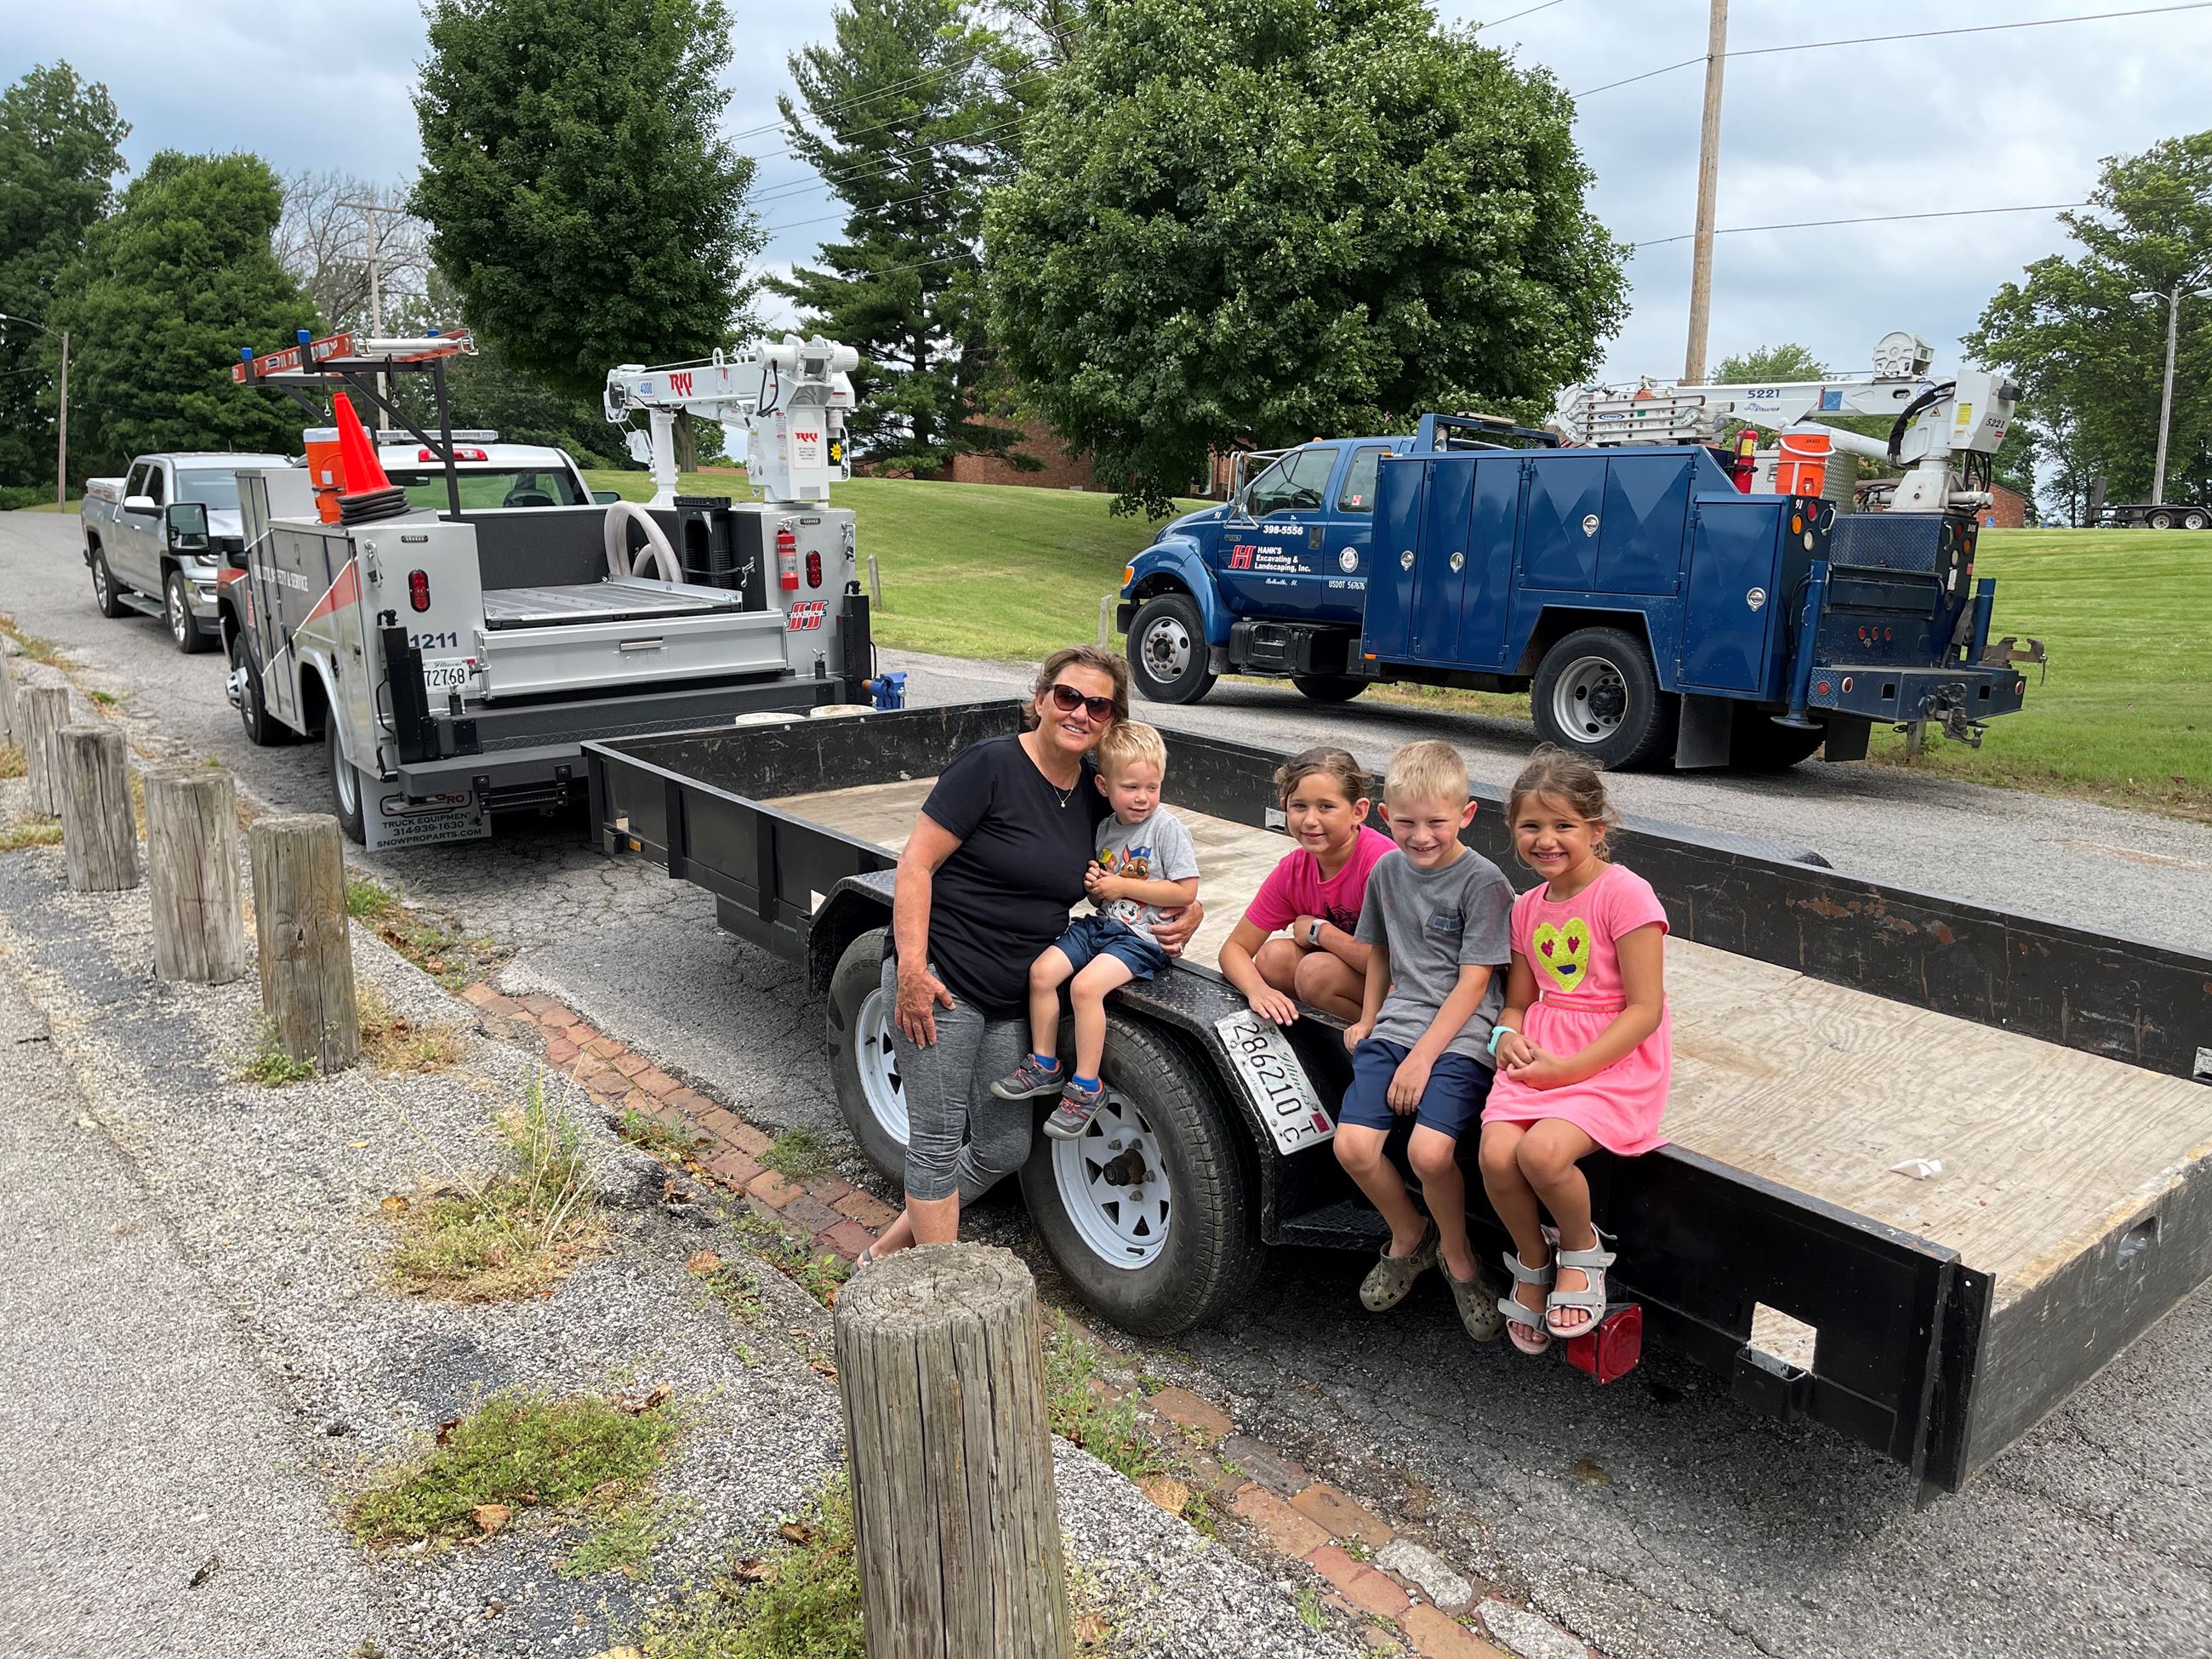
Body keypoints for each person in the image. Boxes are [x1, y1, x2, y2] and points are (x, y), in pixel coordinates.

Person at [860, 648, 1201, 1267]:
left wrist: (1189, 910)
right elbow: (915, 865)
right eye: (1067, 696)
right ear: (1041, 698)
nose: (1080, 712)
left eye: (1097, 704)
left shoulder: (1100, 797)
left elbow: (1149, 861)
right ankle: (941, 1291)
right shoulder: (990, 766)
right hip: (945, 978)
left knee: (1002, 1148)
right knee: (937, 1142)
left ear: (1110, 720)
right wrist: (911, 970)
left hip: (1016, 992)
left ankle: (884, 1251)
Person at [1478, 747, 1671, 1356]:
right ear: (1512, 830)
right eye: (1531, 826)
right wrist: (1505, 1035)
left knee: (1542, 1152)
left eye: (1563, 825)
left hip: (1611, 1059)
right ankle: (1533, 1262)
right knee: (1496, 1155)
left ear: (1596, 829)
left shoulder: (1626, 895)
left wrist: (1570, 1070)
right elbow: (1517, 1001)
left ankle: (1582, 1252)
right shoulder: (1527, 909)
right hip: (1543, 1049)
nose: (1546, 840)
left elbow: (1645, 1008)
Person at [1335, 740, 1514, 1341]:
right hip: (1398, 1024)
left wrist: (1421, 1059)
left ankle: (1461, 1260)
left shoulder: (1484, 882)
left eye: (1436, 822)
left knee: (1429, 1154)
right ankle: (1411, 1235)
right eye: (1406, 822)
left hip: (1460, 1035)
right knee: (1354, 1148)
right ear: (1385, 817)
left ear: (1465, 815)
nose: (1421, 835)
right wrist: (1368, 1016)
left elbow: (1475, 982)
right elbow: (1380, 951)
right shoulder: (1386, 870)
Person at [992, 721, 1200, 1139]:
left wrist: (1120, 884)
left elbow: (1186, 890)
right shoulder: (1106, 829)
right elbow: (1105, 900)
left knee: (1085, 988)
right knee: (1042, 973)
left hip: (1142, 939)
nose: (1143, 798)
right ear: (1104, 786)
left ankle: (1087, 1086)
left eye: (1152, 787)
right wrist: (1098, 888)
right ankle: (1044, 1063)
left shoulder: (1166, 829)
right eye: (1131, 788)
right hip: (1105, 924)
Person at [1217, 746, 1393, 1023]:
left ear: (1358, 812)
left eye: (1326, 806)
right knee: (1271, 959)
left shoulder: (1381, 864)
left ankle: (1384, 1042)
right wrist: (1258, 991)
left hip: (1404, 991)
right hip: (1349, 974)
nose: (1310, 820)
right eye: (1300, 806)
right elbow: (1234, 949)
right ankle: (1309, 1036)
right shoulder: (1294, 870)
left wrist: (1319, 931)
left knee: (1316, 973)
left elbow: (1396, 965)